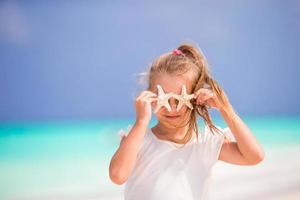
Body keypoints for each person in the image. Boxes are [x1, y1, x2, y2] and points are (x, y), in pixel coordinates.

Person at [109, 42, 265, 200]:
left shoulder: (205, 142)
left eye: (180, 99)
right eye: (164, 98)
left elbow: (254, 156)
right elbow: (118, 175)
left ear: (196, 98)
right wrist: (141, 121)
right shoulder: (138, 139)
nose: (172, 107)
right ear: (150, 97)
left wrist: (225, 109)